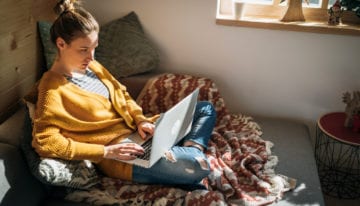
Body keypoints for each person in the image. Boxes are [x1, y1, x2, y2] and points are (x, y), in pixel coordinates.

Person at [31, 0, 216, 188]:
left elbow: (122, 94)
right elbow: (45, 142)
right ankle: (187, 158)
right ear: (61, 44)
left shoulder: (93, 67)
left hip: (139, 134)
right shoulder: (51, 88)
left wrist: (140, 120)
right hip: (121, 156)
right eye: (84, 50)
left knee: (205, 108)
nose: (92, 57)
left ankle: (187, 151)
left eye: (94, 47)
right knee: (197, 165)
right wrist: (105, 151)